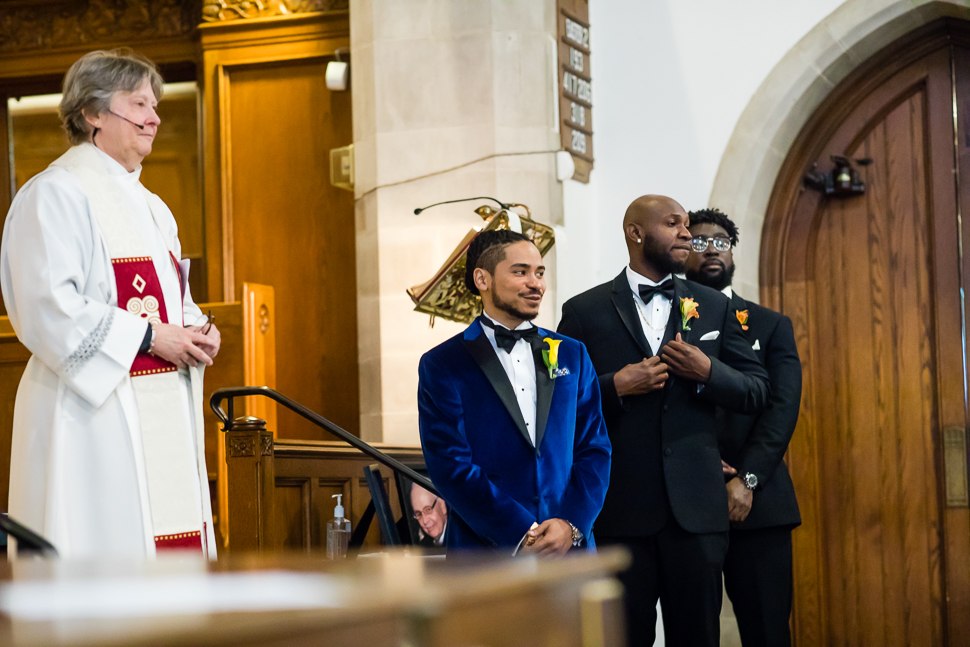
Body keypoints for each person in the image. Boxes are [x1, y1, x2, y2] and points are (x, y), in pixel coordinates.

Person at [1, 49, 220, 559]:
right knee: (103, 541)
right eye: (139, 103)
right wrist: (149, 336)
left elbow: (173, 297)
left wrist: (195, 328)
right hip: (89, 412)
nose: (155, 116)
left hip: (157, 401)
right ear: (92, 114)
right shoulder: (53, 194)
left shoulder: (152, 205)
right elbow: (48, 307)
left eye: (156, 104)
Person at [558, 195, 770, 646]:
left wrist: (708, 371)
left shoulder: (714, 307)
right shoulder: (583, 311)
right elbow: (559, 405)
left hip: (695, 514)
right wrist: (615, 385)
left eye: (687, 225)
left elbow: (757, 390)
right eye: (673, 224)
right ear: (636, 233)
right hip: (619, 512)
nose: (687, 234)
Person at [418, 229, 611, 554]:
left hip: (570, 550)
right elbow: (449, 464)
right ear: (483, 278)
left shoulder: (572, 353)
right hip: (486, 553)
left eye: (539, 273)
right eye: (520, 272)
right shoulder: (443, 363)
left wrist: (571, 524)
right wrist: (520, 531)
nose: (536, 283)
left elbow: (594, 448)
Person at [686, 208, 802, 647]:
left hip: (760, 503)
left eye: (720, 240)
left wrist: (747, 480)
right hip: (687, 502)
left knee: (767, 632)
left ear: (733, 251)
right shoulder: (669, 323)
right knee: (693, 631)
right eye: (698, 241)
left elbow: (781, 410)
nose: (711, 248)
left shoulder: (770, 324)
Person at [410, 482, 448, 547]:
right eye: (419, 514)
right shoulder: (422, 547)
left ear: (442, 505)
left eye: (428, 510)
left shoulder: (463, 541)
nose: (425, 521)